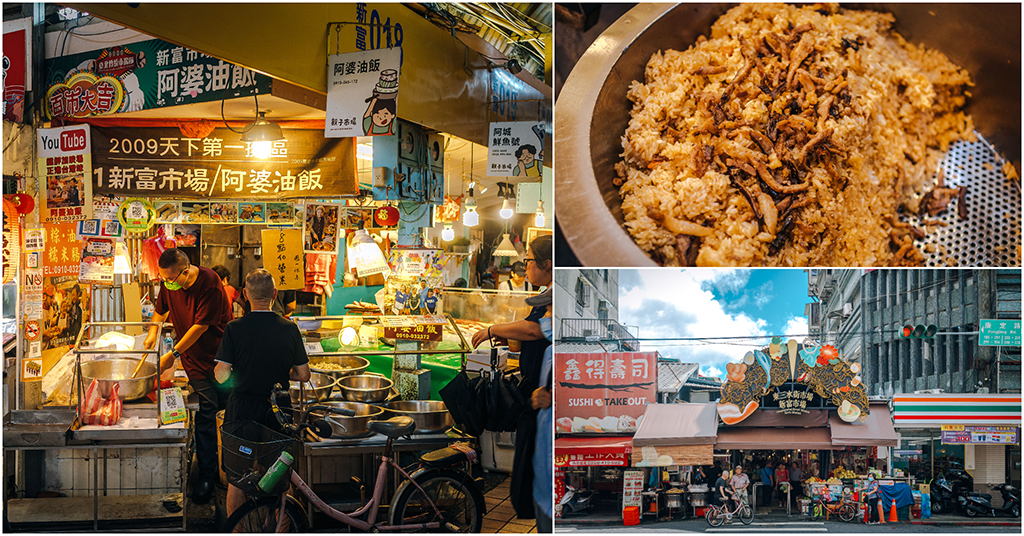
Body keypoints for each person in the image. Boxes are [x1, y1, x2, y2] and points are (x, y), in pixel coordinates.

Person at [214, 268, 311, 521]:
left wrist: (243, 370)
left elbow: (222, 375)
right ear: (275, 294)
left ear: (245, 294)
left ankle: (236, 530)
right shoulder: (289, 328)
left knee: (237, 477)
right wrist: (277, 371)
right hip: (278, 409)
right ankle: (276, 526)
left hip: (242, 410)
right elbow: (304, 375)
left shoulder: (234, 328)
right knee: (279, 473)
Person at [469, 234, 552, 519]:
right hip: (536, 397)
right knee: (530, 470)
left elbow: (535, 330)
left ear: (547, 264)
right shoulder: (546, 295)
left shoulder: (556, 296)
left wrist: (494, 329)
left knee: (534, 471)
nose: (526, 266)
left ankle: (539, 515)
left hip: (543, 398)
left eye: (528, 260)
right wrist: (509, 339)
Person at [144, 248, 232, 505]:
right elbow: (161, 310)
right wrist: (153, 331)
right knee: (206, 410)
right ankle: (206, 475)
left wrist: (172, 354)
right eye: (164, 280)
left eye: (171, 279)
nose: (168, 284)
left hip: (221, 357)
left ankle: (227, 471)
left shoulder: (210, 283)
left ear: (185, 271)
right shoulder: (169, 281)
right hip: (194, 360)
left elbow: (200, 326)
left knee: (225, 412)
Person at [529, 289, 553, 532]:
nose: (545, 315)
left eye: (549, 309)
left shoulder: (559, 351)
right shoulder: (549, 351)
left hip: (549, 485)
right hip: (542, 479)